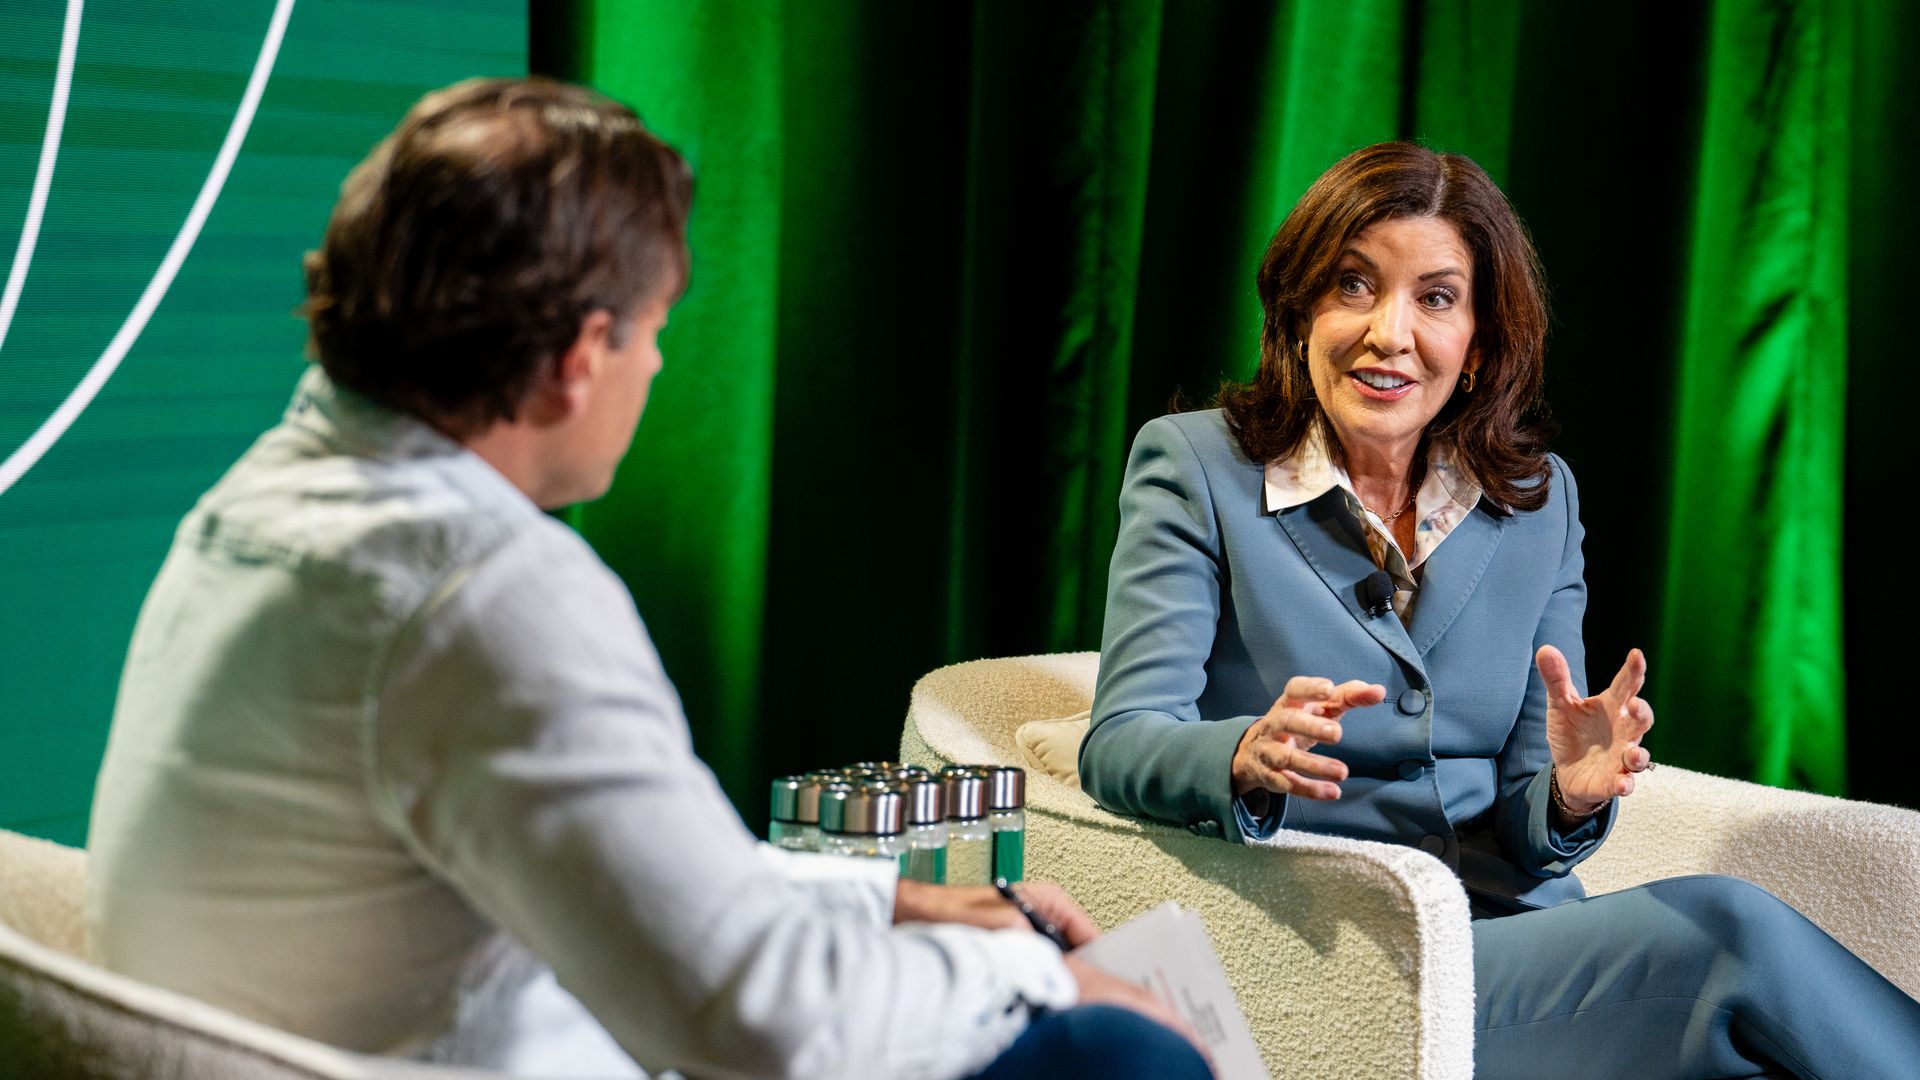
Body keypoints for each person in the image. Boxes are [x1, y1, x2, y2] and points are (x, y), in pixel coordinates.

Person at [86, 78, 1208, 1080]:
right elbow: (767, 1030)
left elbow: (628, 885)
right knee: (1121, 1052)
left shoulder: (256, 510)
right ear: (582, 358)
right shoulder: (484, 595)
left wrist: (892, 898)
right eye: (655, 330)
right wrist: (1032, 977)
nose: (662, 363)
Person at [1077, 140, 1920, 1079]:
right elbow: (1120, 739)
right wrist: (1240, 756)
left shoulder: (1536, 501)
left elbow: (1527, 832)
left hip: (1518, 944)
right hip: (1338, 962)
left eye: (1436, 298)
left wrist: (1568, 791)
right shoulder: (1197, 468)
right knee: (1727, 930)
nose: (1390, 333)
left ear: (1478, 342)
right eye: (1354, 285)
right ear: (1301, 310)